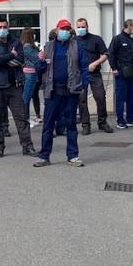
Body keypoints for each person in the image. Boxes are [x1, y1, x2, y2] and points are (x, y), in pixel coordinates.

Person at [33, 19, 89, 167]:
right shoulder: (48, 46)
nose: (65, 31)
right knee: (48, 125)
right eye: (62, 29)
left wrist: (84, 84)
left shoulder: (76, 46)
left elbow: (84, 66)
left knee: (71, 125)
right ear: (57, 30)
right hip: (52, 91)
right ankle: (44, 156)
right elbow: (39, 69)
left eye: (67, 29)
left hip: (71, 91)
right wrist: (39, 60)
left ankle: (72, 156)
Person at [0, 18, 36, 158]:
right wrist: (10, 56)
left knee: (21, 117)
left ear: (8, 27)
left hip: (14, 85)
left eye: (5, 26)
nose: (2, 29)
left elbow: (20, 61)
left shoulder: (16, 42)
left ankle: (27, 146)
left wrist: (4, 59)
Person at [74, 18, 112, 134]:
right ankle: (85, 124)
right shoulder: (73, 41)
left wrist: (95, 63)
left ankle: (102, 122)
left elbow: (106, 54)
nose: (81, 29)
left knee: (100, 97)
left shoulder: (96, 39)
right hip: (80, 74)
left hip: (94, 73)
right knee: (82, 100)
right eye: (79, 27)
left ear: (87, 27)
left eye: (83, 27)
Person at [108, 19, 133, 129]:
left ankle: (131, 119)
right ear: (128, 26)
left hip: (130, 70)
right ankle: (120, 120)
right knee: (121, 96)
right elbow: (111, 53)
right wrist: (114, 68)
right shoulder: (117, 39)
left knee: (131, 95)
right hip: (120, 71)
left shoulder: (131, 40)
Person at [20, 29, 42, 126]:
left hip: (31, 74)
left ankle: (27, 118)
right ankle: (25, 119)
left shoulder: (28, 47)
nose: (34, 36)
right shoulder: (27, 47)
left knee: (28, 96)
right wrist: (40, 54)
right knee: (26, 97)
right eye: (33, 35)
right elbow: (36, 58)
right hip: (30, 74)